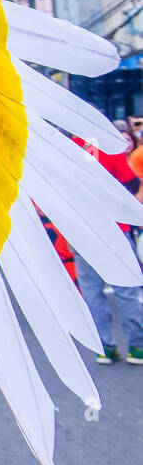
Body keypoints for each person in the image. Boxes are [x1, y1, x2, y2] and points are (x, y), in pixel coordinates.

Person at [74, 124, 143, 364]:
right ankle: (137, 347)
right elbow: (132, 183)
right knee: (126, 287)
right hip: (112, 228)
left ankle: (104, 347)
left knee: (92, 291)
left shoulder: (64, 147)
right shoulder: (108, 147)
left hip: (80, 229)